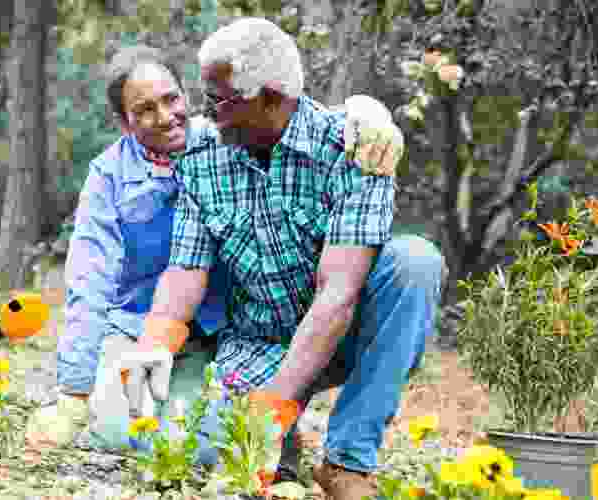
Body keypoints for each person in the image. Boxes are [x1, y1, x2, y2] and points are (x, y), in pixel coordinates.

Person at [115, 18, 444, 500]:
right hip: (258, 342)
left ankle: (346, 461)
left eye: (218, 100)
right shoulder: (203, 155)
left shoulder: (354, 150)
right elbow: (184, 274)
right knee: (213, 456)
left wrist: (274, 405)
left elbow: (338, 295)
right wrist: (143, 378)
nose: (203, 114)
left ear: (270, 97)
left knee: (415, 261)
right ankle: (283, 455)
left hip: (341, 334)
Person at [23, 45, 232, 449]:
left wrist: (363, 116)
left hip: (213, 331)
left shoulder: (225, 142)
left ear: (185, 94)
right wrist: (74, 392)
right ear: (124, 122)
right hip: (137, 329)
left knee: (201, 439)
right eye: (145, 109)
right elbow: (89, 281)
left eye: (171, 99)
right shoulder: (107, 177)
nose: (166, 117)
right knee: (120, 434)